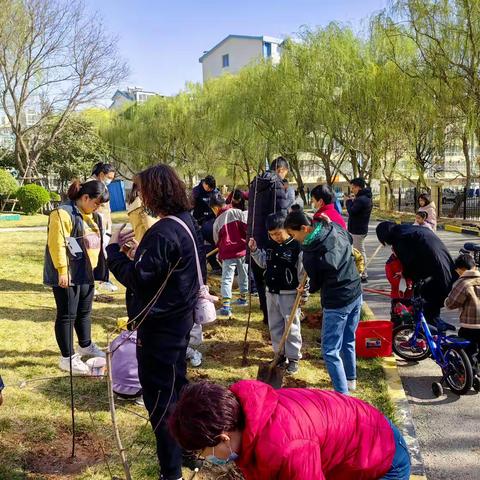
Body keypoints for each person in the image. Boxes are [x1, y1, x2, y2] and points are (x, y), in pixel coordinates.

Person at [107, 164, 204, 480]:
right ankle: (191, 449)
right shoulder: (186, 223)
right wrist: (140, 253)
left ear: (156, 191)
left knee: (162, 401)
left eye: (142, 189)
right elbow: (163, 270)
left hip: (159, 329)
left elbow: (138, 279)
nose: (141, 196)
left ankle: (171, 471)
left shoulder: (162, 231)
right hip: (179, 322)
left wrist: (113, 252)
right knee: (178, 388)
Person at [169, 380, 411, 480]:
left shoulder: (288, 447)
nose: (205, 459)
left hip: (383, 457)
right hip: (354, 445)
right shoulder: (249, 414)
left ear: (223, 438)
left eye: (203, 452)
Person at [285, 211, 362, 394]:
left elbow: (316, 283)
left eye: (294, 235)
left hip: (337, 300)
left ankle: (342, 394)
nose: (294, 239)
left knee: (329, 350)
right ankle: (351, 380)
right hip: (356, 290)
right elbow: (349, 241)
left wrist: (307, 289)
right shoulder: (332, 227)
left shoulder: (310, 254)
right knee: (348, 339)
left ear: (305, 228)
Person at [44, 180, 109, 375]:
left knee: (84, 312)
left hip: (86, 271)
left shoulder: (91, 215)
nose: (98, 207)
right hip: (68, 273)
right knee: (67, 314)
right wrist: (63, 271)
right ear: (85, 197)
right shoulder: (62, 213)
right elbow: (57, 244)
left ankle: (85, 345)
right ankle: (67, 358)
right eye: (96, 203)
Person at [249, 213, 306, 375]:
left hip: (289, 293)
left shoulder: (296, 247)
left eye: (279, 233)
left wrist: (304, 292)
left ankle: (294, 358)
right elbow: (262, 262)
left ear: (287, 230)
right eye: (272, 234)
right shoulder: (269, 245)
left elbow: (302, 272)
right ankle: (279, 354)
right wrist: (254, 251)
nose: (276, 237)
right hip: (271, 292)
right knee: (275, 325)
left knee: (291, 326)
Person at [376, 222, 456, 325]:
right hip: (445, 267)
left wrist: (405, 273)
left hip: (434, 275)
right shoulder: (411, 229)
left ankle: (430, 336)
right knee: (433, 308)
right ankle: (434, 333)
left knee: (428, 309)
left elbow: (409, 263)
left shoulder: (400, 239)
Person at [247, 156, 290, 324]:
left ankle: (266, 315)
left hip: (254, 238)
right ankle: (275, 318)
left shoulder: (254, 183)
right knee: (273, 280)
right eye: (285, 172)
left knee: (259, 280)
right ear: (281, 169)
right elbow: (281, 215)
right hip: (272, 238)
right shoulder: (277, 184)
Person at [211, 192, 249, 318]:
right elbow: (246, 229)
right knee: (244, 274)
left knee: (227, 278)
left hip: (228, 253)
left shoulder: (217, 221)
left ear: (215, 207)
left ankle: (226, 307)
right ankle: (243, 299)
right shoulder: (238, 212)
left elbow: (216, 240)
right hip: (243, 250)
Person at [445, 254, 480, 367]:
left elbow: (451, 304)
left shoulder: (463, 283)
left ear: (460, 270)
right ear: (474, 266)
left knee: (468, 352)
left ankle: (469, 375)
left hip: (470, 326)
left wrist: (446, 302)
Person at [88, 162, 117, 292]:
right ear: (101, 174)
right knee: (92, 254)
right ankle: (90, 282)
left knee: (102, 255)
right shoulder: (91, 185)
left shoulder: (102, 185)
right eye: (109, 177)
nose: (110, 180)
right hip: (94, 227)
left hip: (104, 226)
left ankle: (103, 279)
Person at [192, 175, 221, 274]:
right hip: (199, 222)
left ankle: (215, 265)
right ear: (205, 184)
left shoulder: (214, 192)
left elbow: (220, 203)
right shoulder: (196, 192)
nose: (209, 190)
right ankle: (210, 265)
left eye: (211, 189)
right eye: (209, 188)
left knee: (217, 241)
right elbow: (188, 207)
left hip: (213, 220)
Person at [345, 177, 372, 283]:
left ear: (358, 187)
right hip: (358, 228)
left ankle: (363, 273)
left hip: (358, 230)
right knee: (357, 251)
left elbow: (352, 211)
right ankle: (359, 272)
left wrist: (348, 202)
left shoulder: (362, 199)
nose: (352, 190)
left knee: (360, 251)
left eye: (353, 188)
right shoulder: (363, 197)